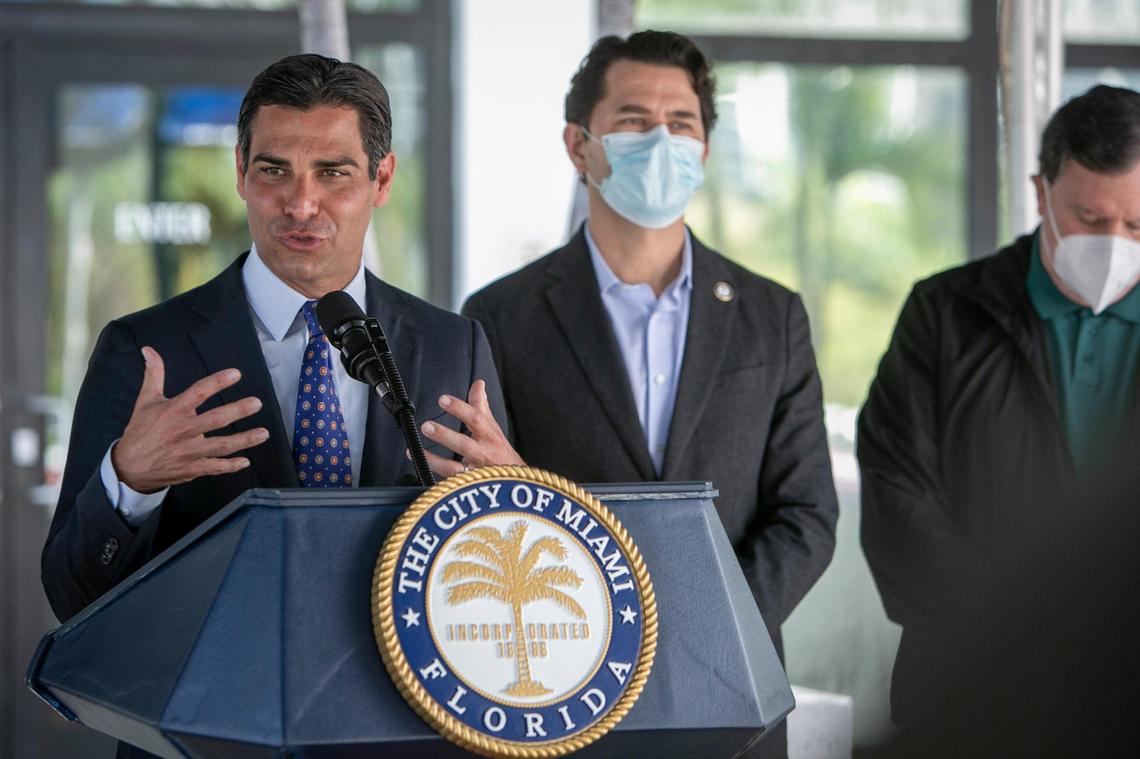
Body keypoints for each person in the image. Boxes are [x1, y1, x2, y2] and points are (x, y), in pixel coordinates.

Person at [461, 31, 839, 758]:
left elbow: (807, 513)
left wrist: (703, 623)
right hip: (557, 687)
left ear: (703, 149)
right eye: (633, 121)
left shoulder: (771, 315)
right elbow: (486, 503)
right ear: (580, 146)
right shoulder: (499, 315)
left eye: (682, 123)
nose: (660, 141)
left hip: (734, 689)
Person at [42, 54, 518, 628]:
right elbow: (72, 596)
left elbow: (500, 577)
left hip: (400, 703)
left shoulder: (453, 343)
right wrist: (129, 481)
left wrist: (515, 497)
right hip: (215, 705)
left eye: (333, 172)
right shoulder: (145, 349)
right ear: (241, 171)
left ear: (382, 179)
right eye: (274, 171)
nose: (300, 204)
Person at [859, 84, 1140, 755]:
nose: (1116, 242)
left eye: (1138, 225)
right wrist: (1012, 637)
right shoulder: (946, 314)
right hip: (970, 692)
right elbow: (900, 496)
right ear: (1042, 192)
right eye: (1090, 219)